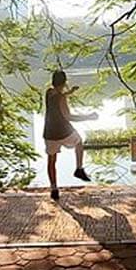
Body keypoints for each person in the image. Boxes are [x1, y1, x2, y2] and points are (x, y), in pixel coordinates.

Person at [43, 69, 98, 201]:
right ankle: (79, 168)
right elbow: (69, 117)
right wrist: (89, 116)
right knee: (79, 142)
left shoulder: (48, 92)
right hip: (63, 131)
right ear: (64, 82)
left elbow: (58, 94)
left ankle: (54, 188)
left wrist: (69, 93)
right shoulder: (61, 98)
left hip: (49, 132)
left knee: (51, 160)